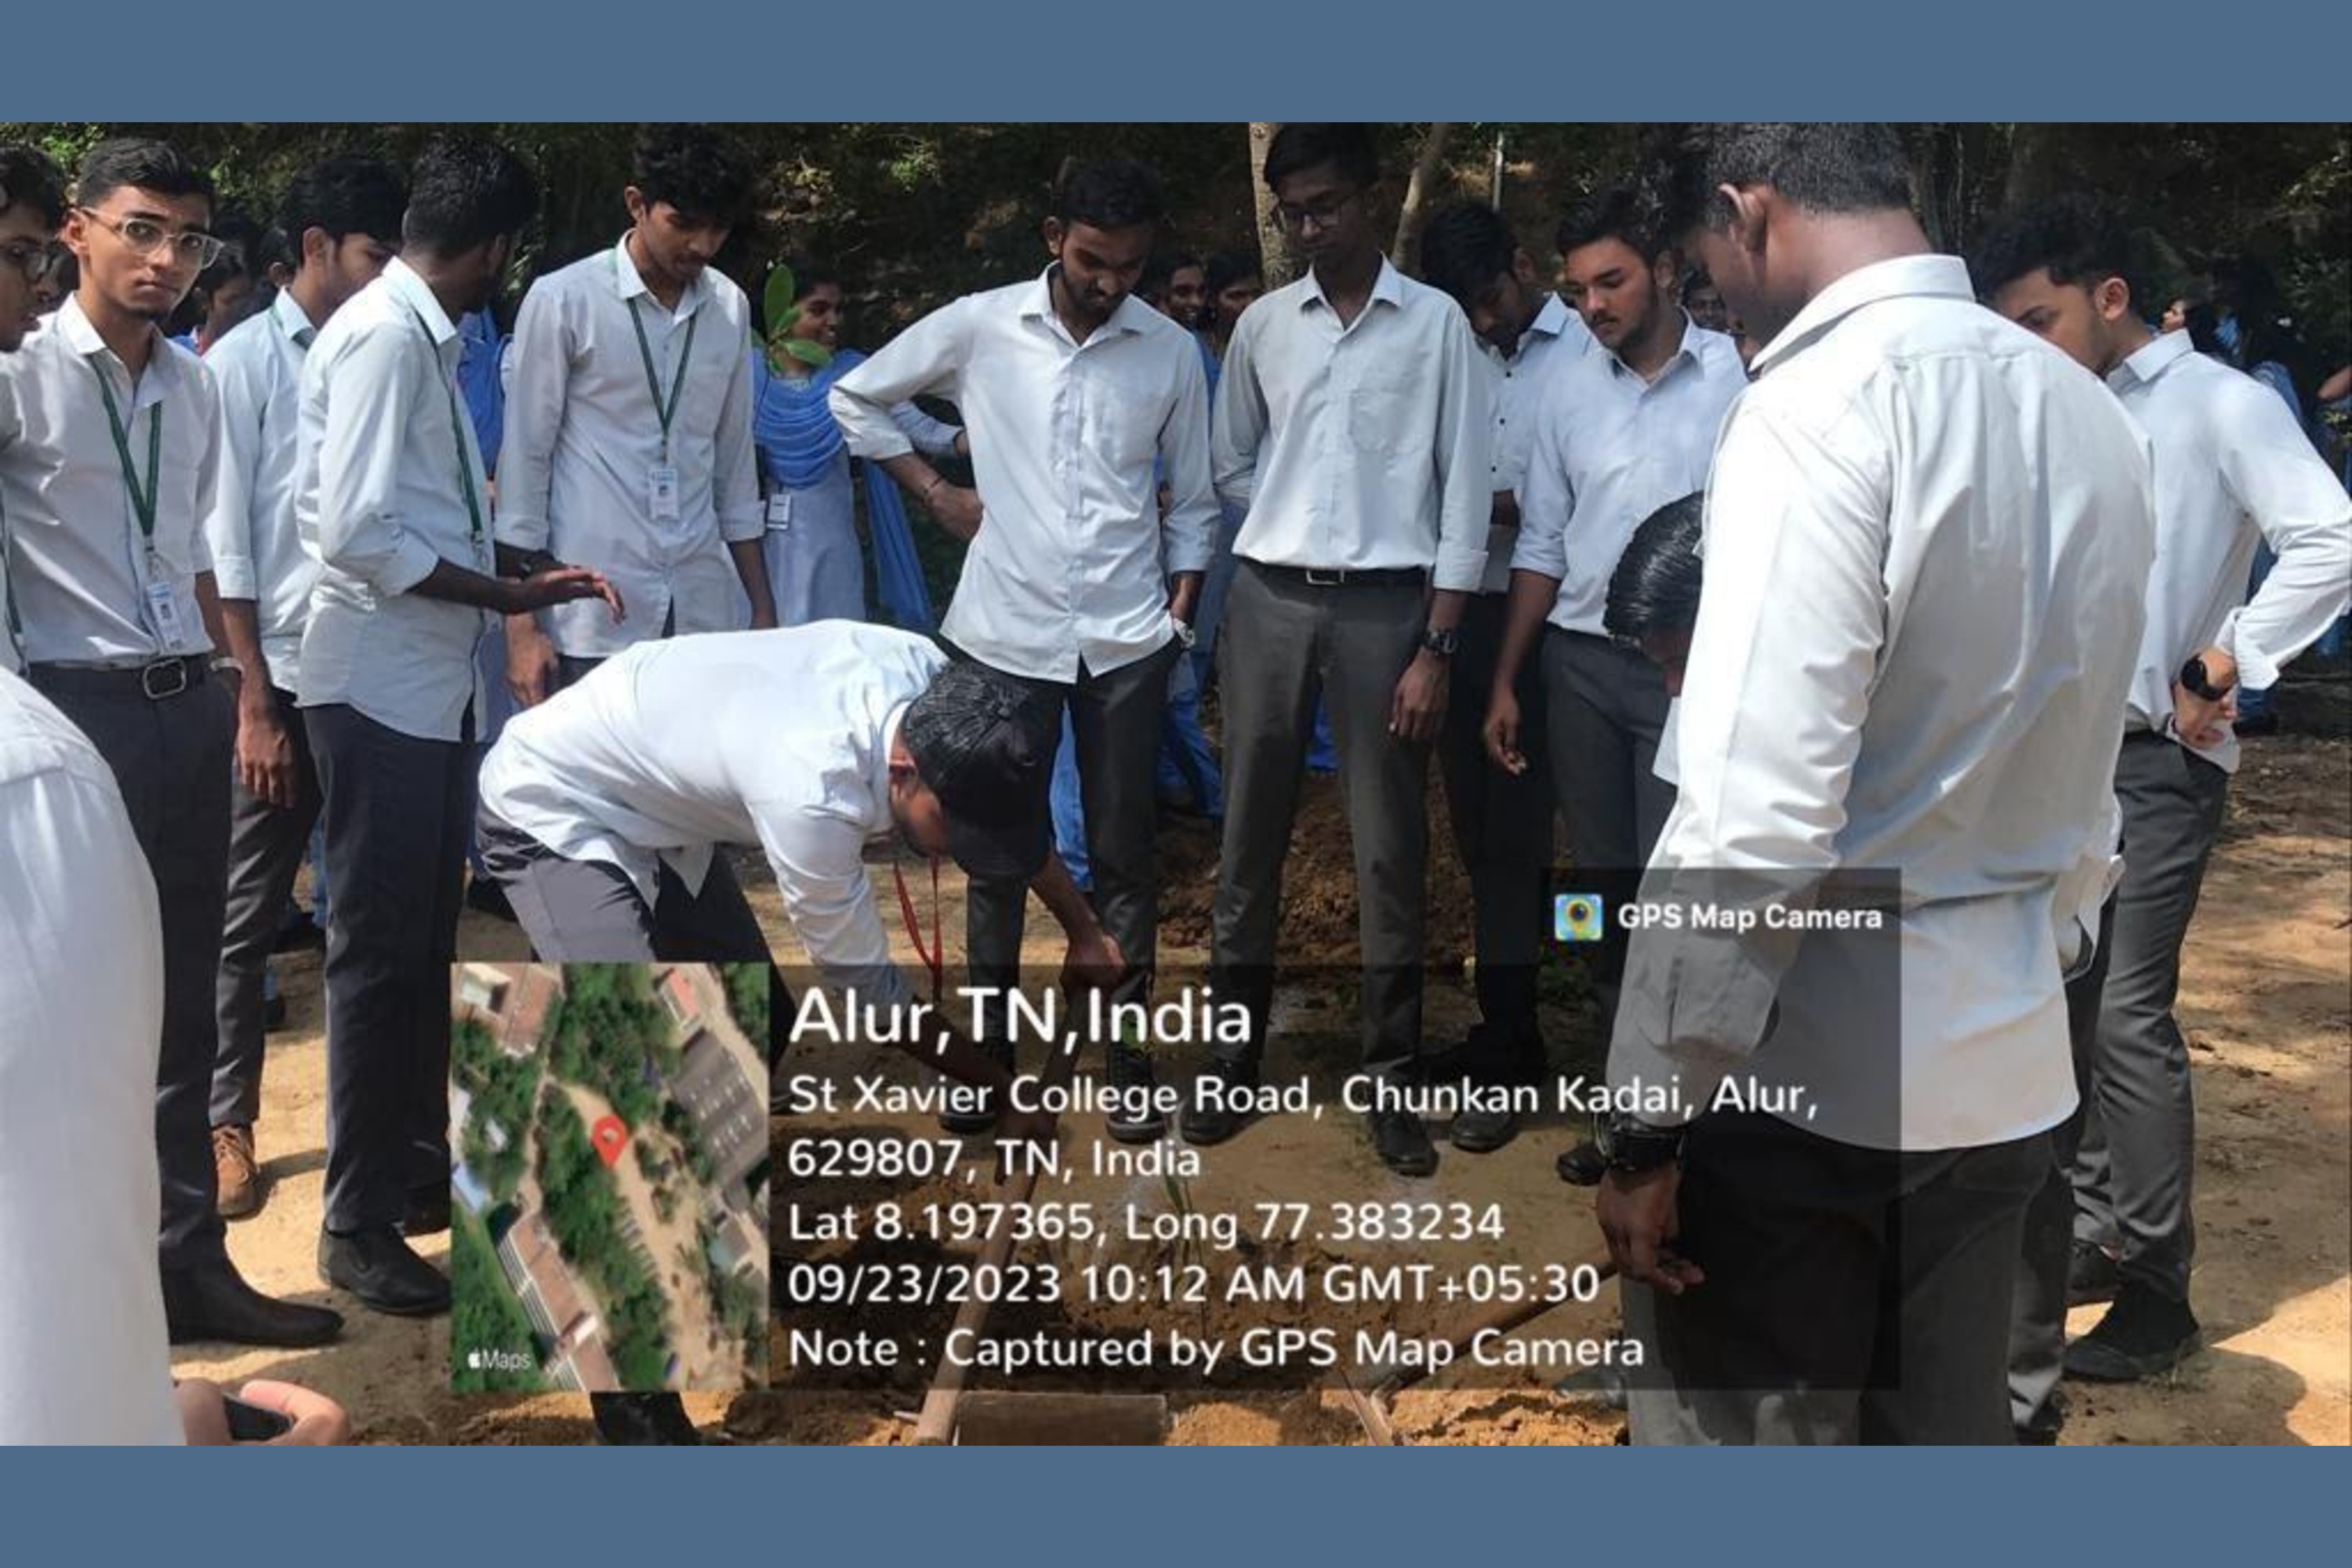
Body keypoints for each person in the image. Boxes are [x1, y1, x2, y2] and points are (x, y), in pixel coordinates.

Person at [1598, 122, 2155, 1445]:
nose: (1712, 296)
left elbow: (1755, 818)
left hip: (1815, 1084)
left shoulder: (1812, 408)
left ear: (1750, 214)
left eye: (1701, 263)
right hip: (2008, 1056)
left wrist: (1645, 1126)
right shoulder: (2084, 408)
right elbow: (2090, 758)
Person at [475, 624, 1111, 1443]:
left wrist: (1084, 928)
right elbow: (873, 1000)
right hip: (557, 802)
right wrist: (1004, 1090)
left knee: (756, 1022)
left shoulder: (942, 692)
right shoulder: (810, 789)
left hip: (662, 800)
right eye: (950, 829)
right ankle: (636, 1410)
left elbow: (1007, 809)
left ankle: (697, 1233)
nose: (958, 853)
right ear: (904, 769)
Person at [1977, 194, 2352, 1385]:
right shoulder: (2060, 413)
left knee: (2129, 1016)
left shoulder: (2222, 407)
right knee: (2068, 1005)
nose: (2027, 343)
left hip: (2158, 753)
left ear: (2110, 298)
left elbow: (2331, 535)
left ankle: (2159, 1294)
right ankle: (2096, 1232)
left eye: (2038, 317)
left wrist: (2234, 651)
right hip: (2059, 754)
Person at [1, 137, 342, 1350]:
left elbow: (203, 560)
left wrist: (245, 695)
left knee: (192, 992)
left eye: (186, 240)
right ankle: (75, 1304)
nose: (164, 261)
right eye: (139, 230)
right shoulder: (20, 369)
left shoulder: (194, 386)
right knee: (74, 1004)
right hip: (65, 712)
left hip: (184, 704)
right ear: (75, 233)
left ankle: (189, 1263)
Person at [295, 135, 620, 1320]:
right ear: (493, 249)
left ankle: (408, 1171)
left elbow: (414, 513)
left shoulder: (420, 331)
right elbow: (357, 534)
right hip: (377, 686)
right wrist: (509, 598)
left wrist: (505, 578)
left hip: (427, 689)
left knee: (422, 937)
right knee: (377, 956)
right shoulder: (386, 337)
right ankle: (354, 1224)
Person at [831, 157, 1215, 1142]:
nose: (1110, 282)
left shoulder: (1168, 351)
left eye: (1129, 266)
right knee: (993, 856)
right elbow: (856, 399)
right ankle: (990, 1063)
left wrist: (1182, 597)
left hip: (1127, 640)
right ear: (1054, 236)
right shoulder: (980, 325)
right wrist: (937, 491)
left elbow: (1197, 492)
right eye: (1093, 260)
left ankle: (1127, 1059)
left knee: (1127, 857)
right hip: (1003, 638)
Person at [1187, 123, 1491, 1176]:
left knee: (1388, 850)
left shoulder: (1439, 327)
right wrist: (1284, 529)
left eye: (1328, 206)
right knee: (1247, 839)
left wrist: (1437, 645)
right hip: (1268, 602)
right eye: (1294, 214)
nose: (1313, 227)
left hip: (1387, 617)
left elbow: (1462, 495)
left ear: (1369, 199)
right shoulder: (1268, 327)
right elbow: (1233, 466)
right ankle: (1232, 1064)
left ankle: (1391, 1081)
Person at [1, 663, 350, 1445]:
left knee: (179, 1014)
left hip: (173, 693)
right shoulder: (32, 782)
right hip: (81, 707)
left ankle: (188, 1260)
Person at [1483, 185, 1744, 1174]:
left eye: (1612, 280)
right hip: (1580, 669)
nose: (1592, 305)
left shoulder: (1737, 380)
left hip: (1689, 671)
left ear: (1667, 268)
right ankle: (1623, 1108)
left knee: (1685, 897)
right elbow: (1543, 542)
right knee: (1599, 895)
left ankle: (1697, 1123)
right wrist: (1510, 675)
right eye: (1577, 287)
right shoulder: (1561, 390)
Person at [203, 154, 406, 1223]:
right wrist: (252, 705)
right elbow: (224, 546)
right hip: (279, 683)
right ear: (318, 245)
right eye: (373, 256)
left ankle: (371, 1141)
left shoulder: (387, 349)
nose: (384, 277)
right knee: (246, 917)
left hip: (368, 677)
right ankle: (225, 1120)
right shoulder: (241, 366)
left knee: (366, 918)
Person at [1415, 199, 1591, 1150]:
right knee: (1479, 834)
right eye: (1467, 311)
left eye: (1490, 299)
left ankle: (1526, 1050)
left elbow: (1564, 500)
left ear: (1523, 265)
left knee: (1526, 836)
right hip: (1458, 615)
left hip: (1552, 624)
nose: (1485, 324)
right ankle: (1501, 1030)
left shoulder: (1582, 352)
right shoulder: (1457, 352)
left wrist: (1478, 507)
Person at [501, 124, 774, 706]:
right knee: (595, 794)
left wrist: (762, 610)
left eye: (718, 228)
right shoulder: (563, 300)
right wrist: (520, 627)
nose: (701, 245)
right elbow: (525, 460)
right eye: (684, 223)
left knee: (693, 790)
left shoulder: (728, 306)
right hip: (593, 613)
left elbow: (734, 467)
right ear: (637, 205)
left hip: (703, 609)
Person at [748, 259, 964, 627]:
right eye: (819, 309)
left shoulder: (852, 373)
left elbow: (923, 431)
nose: (834, 321)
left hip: (831, 540)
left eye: (837, 309)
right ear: (780, 315)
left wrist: (978, 437)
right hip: (756, 543)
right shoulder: (745, 374)